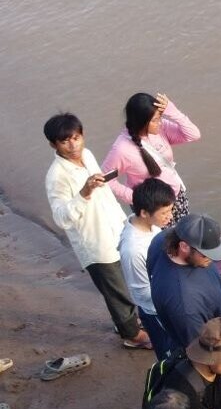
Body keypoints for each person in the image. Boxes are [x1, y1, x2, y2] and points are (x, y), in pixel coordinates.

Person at [44, 112, 151, 350]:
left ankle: (126, 322)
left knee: (127, 282)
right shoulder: (56, 177)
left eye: (76, 137)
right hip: (96, 243)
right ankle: (132, 335)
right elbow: (61, 218)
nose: (73, 145)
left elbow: (105, 194)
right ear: (54, 144)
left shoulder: (87, 155)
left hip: (116, 229)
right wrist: (84, 192)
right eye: (65, 141)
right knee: (117, 292)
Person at [147, 213, 221, 356]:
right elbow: (204, 353)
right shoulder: (184, 304)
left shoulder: (161, 239)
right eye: (205, 254)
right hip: (218, 347)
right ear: (184, 246)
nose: (212, 259)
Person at [103, 92, 201, 224]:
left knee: (184, 237)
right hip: (152, 211)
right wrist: (136, 198)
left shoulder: (161, 128)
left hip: (176, 196)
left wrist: (172, 111)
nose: (160, 123)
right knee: (163, 243)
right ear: (141, 121)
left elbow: (193, 135)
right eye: (155, 120)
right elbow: (106, 180)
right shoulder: (122, 149)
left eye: (160, 117)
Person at [119, 178, 177, 357]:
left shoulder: (151, 228)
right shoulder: (133, 249)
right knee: (169, 354)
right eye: (165, 213)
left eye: (171, 210)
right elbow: (141, 292)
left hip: (165, 298)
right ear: (144, 213)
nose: (170, 216)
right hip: (156, 311)